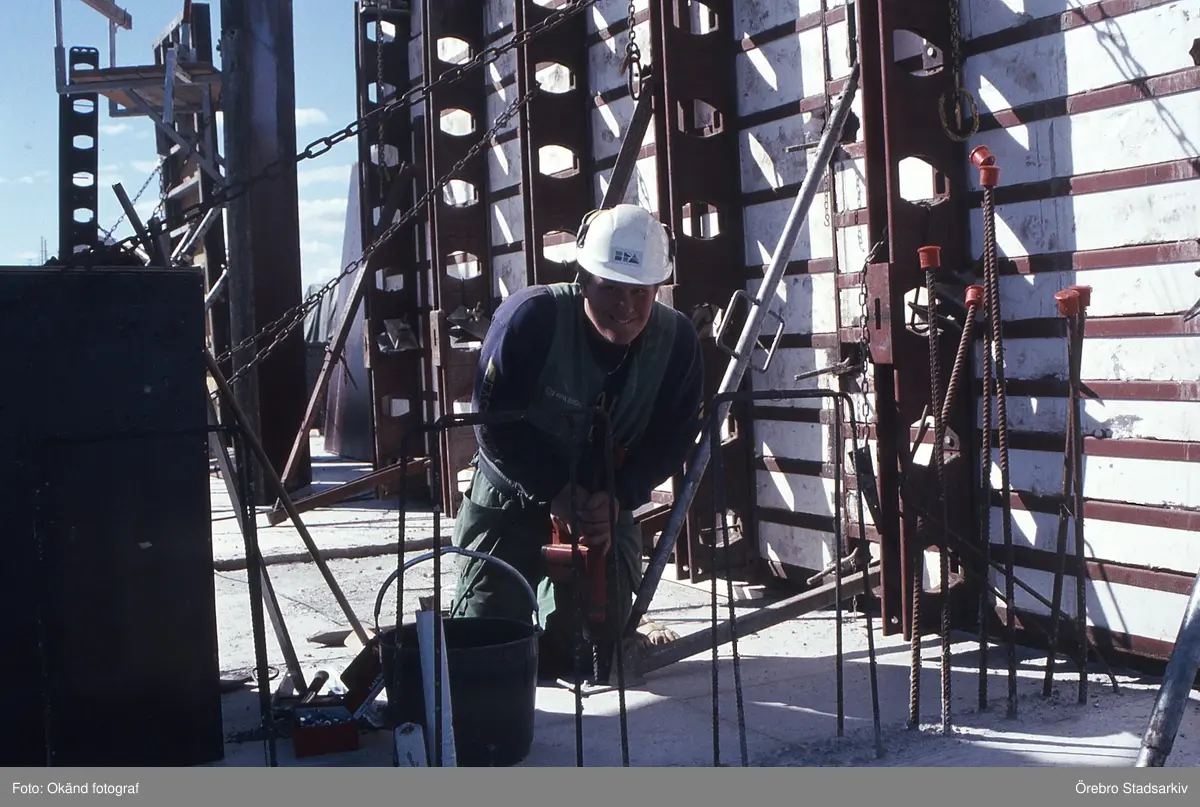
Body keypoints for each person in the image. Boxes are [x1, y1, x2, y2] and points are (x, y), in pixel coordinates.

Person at [447, 203, 705, 676]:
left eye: (640, 291)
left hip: (601, 507)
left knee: (592, 651)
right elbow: (492, 421)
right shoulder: (531, 319)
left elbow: (674, 437)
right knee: (486, 646)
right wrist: (554, 489)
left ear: (657, 289)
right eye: (610, 287)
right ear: (584, 279)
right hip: (512, 495)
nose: (625, 306)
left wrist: (621, 496)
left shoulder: (677, 343)